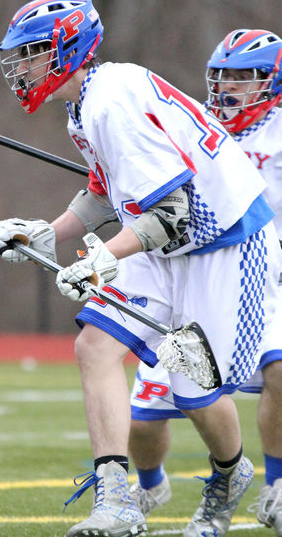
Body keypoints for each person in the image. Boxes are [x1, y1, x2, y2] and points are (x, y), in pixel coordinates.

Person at [0, 0, 282, 537]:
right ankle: (115, 499)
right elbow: (106, 194)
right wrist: (48, 233)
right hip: (166, 242)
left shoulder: (110, 100)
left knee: (192, 383)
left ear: (66, 49)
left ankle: (228, 475)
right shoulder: (85, 105)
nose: (22, 67)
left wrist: (103, 255)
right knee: (94, 345)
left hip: (224, 240)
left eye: (31, 53)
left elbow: (173, 213)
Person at [128, 28, 282, 536]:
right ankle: (148, 484)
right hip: (197, 274)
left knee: (280, 369)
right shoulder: (193, 120)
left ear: (272, 80)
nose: (229, 86)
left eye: (244, 77)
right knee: (146, 414)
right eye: (222, 76)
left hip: (268, 273)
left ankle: (275, 486)